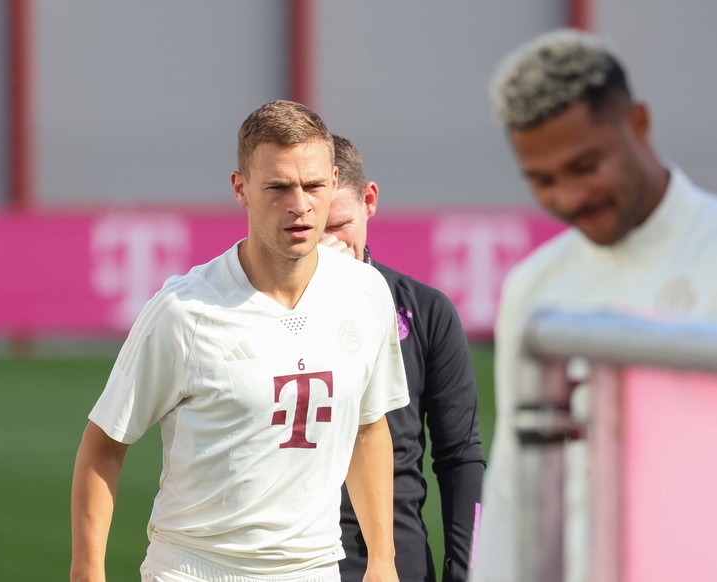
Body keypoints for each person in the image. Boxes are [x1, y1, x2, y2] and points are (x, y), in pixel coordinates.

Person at [70, 100, 411, 582]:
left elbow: (369, 428)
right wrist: (87, 573)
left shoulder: (366, 292)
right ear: (241, 188)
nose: (300, 205)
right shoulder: (184, 311)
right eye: (278, 187)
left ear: (335, 182)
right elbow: (104, 444)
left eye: (314, 185)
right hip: (195, 568)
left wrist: (382, 560)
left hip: (315, 570)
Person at [472, 29, 717, 582]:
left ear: (638, 124)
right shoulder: (537, 287)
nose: (567, 198)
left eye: (585, 166)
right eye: (542, 180)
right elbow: (515, 485)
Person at [320, 135, 485, 582]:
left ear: (369, 201)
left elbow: (460, 456)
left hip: (396, 565)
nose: (326, 244)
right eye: (312, 230)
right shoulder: (256, 310)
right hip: (285, 563)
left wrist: (465, 570)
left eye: (338, 225)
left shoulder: (426, 311)